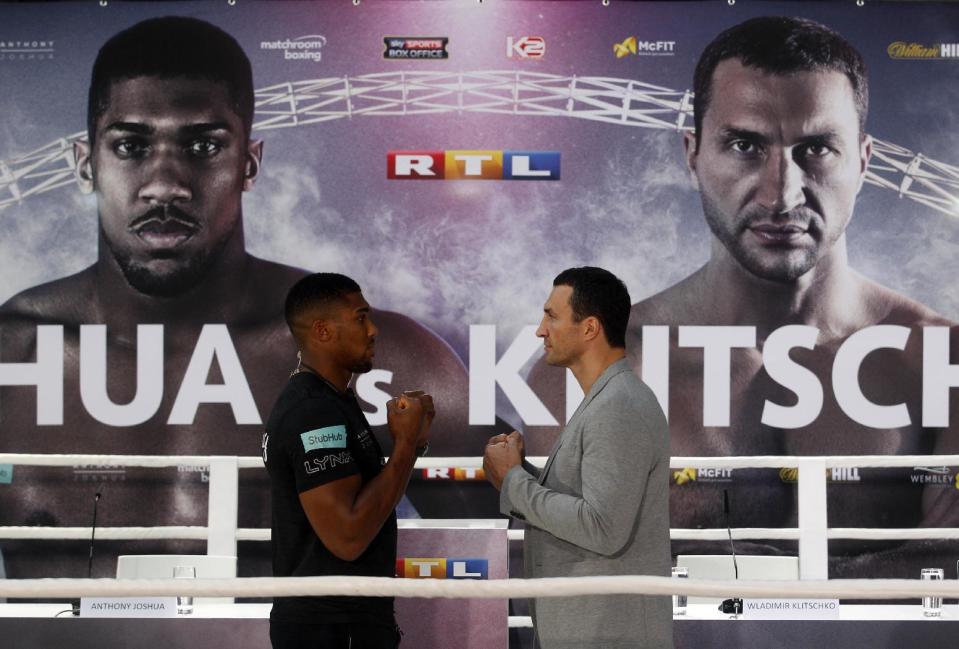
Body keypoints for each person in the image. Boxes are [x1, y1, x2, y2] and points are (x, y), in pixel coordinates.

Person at [0, 16, 482, 581]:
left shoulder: (387, 358)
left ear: (248, 163)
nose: (165, 185)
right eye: (131, 145)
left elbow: (515, 578)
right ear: (87, 163)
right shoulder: (13, 354)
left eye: (203, 145)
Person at [528, 17, 958, 578]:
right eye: (745, 145)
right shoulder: (592, 363)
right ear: (693, 152)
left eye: (817, 149)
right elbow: (564, 568)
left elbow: (951, 569)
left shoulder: (940, 356)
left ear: (865, 160)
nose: (782, 194)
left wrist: (715, 573)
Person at [485, 267, 671, 649]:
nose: (540, 330)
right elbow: (589, 502)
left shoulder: (618, 405)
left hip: (607, 635)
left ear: (589, 329)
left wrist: (515, 483)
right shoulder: (609, 399)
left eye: (551, 315)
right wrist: (521, 473)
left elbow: (602, 526)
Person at [264, 273, 431, 649]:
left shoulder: (331, 401)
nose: (373, 330)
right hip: (331, 626)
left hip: (341, 620)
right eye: (360, 318)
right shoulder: (313, 412)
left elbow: (362, 504)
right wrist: (403, 444)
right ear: (323, 332)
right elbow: (348, 538)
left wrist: (414, 443)